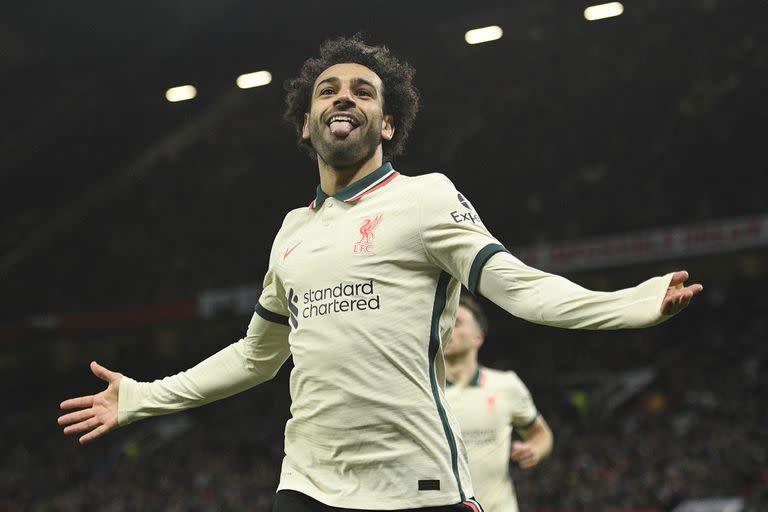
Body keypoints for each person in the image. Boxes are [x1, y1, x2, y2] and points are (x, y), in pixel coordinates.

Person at [58, 35, 703, 512]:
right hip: (307, 485)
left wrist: (628, 304)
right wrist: (143, 396)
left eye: (364, 91)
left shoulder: (425, 199)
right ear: (307, 127)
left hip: (415, 485)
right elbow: (256, 357)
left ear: (388, 123)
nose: (344, 97)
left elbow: (518, 286)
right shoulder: (293, 231)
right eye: (328, 91)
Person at [445, 293, 553, 512]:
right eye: (443, 322)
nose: (446, 328)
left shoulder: (506, 385)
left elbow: (541, 435)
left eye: (456, 323)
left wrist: (534, 450)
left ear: (478, 337)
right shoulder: (423, 390)